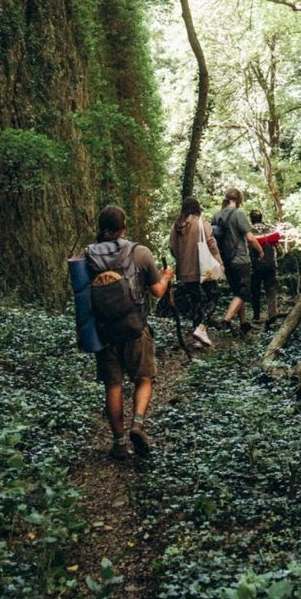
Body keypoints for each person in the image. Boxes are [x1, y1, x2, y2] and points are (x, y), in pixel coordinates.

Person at [85, 203, 173, 459]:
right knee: (144, 378)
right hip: (135, 328)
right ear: (123, 227)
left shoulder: (87, 256)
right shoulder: (140, 253)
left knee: (113, 386)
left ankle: (119, 443)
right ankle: (137, 424)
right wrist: (167, 276)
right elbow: (157, 292)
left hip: (104, 332)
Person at [168, 196, 222, 349]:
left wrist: (183, 259)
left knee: (195, 301)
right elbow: (211, 244)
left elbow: (172, 248)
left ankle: (198, 337)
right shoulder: (201, 223)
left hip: (185, 271)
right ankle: (202, 328)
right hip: (204, 269)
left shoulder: (176, 226)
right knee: (214, 296)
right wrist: (219, 262)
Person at [212, 187, 263, 334]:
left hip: (226, 259)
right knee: (244, 293)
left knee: (237, 292)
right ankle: (226, 320)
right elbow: (250, 238)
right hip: (240, 259)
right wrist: (260, 250)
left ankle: (243, 323)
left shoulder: (216, 215)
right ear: (239, 200)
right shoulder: (238, 214)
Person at [249, 208, 281, 328]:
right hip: (270, 264)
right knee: (271, 289)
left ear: (251, 219)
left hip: (255, 265)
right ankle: (272, 315)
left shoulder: (249, 231)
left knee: (255, 290)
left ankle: (256, 316)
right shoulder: (270, 229)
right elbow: (279, 249)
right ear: (261, 218)